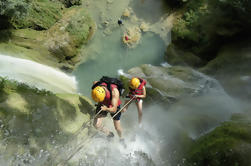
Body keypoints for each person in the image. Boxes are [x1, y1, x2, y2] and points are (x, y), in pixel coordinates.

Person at [92, 79, 126, 145]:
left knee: (117, 127)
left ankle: (121, 138)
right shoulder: (97, 86)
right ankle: (109, 134)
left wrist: (106, 109)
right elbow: (95, 82)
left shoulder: (114, 92)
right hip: (103, 104)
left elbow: (114, 109)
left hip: (113, 106)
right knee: (96, 125)